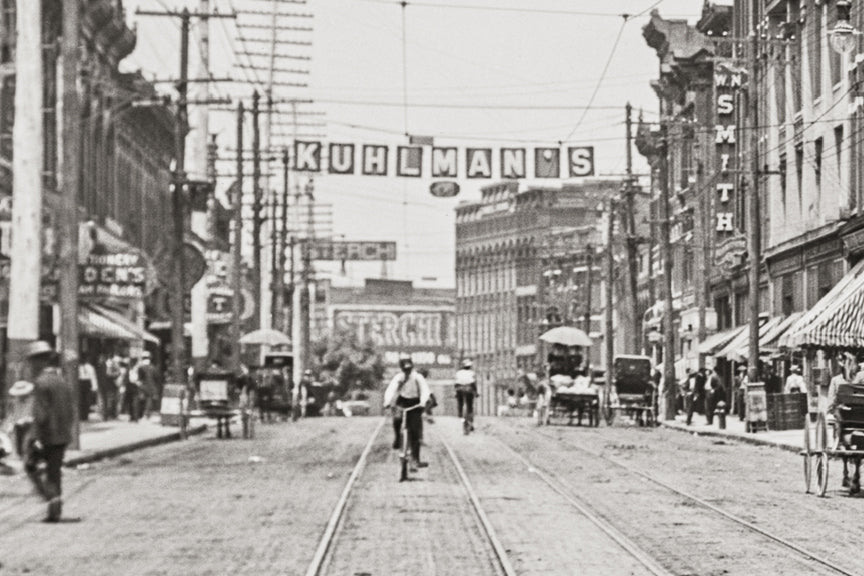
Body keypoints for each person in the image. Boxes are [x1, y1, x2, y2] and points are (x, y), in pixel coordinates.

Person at [26, 340, 74, 522]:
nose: (30, 365)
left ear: (40, 361)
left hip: (47, 435)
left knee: (31, 467)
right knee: (54, 471)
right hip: (62, 435)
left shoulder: (40, 383)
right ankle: (55, 506)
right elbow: (70, 410)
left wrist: (34, 437)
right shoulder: (62, 381)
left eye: (32, 360)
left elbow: (40, 414)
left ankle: (52, 499)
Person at [384, 354, 431, 470]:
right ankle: (397, 438)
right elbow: (391, 389)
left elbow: (425, 390)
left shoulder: (418, 377)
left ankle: (415, 459)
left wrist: (423, 402)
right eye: (405, 368)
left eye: (408, 368)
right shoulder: (399, 378)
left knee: (415, 432)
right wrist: (387, 401)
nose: (407, 370)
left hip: (415, 403)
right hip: (402, 402)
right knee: (397, 420)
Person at [455, 359, 477, 430]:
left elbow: (456, 384)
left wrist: (456, 393)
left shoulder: (458, 373)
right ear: (469, 366)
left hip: (460, 390)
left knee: (460, 404)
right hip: (468, 390)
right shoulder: (471, 373)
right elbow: (473, 384)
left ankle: (461, 416)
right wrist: (476, 392)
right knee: (470, 406)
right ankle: (470, 421)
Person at [137, 352, 160, 421]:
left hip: (142, 386)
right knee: (149, 400)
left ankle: (140, 414)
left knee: (142, 400)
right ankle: (146, 414)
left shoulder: (140, 367)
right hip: (151, 386)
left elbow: (139, 377)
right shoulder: (153, 367)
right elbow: (157, 377)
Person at [77, 357, 98, 422]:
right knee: (81, 399)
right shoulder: (77, 367)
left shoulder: (90, 367)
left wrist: (94, 386)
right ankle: (81, 415)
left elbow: (93, 376)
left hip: (87, 382)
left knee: (87, 399)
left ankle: (85, 415)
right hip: (80, 382)